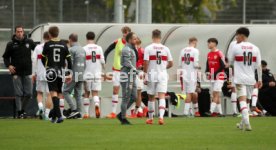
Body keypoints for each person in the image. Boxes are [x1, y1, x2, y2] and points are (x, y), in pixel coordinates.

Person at [228, 27, 262, 131]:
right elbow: (259, 66)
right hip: (251, 79)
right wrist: (259, 79)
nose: (236, 38)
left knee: (242, 101)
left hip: (239, 79)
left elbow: (230, 62)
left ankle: (247, 122)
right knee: (247, 101)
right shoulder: (255, 48)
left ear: (242, 36)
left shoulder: (236, 47)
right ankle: (242, 123)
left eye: (237, 35)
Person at [2, 25, 36, 118]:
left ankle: (22, 110)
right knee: (18, 94)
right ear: (15, 33)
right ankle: (20, 112)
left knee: (29, 93)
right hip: (16, 72)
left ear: (23, 32)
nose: (19, 33)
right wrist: (9, 65)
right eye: (18, 31)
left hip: (28, 71)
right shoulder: (11, 44)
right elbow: (5, 57)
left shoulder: (29, 42)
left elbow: (37, 51)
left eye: (21, 31)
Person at [41, 26, 72, 123]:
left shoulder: (47, 44)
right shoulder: (64, 44)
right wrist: (69, 73)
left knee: (53, 92)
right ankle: (54, 116)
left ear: (49, 34)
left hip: (51, 70)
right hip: (61, 71)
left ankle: (58, 115)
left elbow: (42, 58)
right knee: (59, 93)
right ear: (58, 33)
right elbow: (69, 60)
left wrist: (46, 66)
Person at [143, 29, 173, 125]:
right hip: (162, 74)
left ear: (152, 37)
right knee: (162, 96)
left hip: (152, 74)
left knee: (151, 97)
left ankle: (151, 119)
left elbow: (146, 63)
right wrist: (164, 67)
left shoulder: (148, 48)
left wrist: (145, 75)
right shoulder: (166, 48)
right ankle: (161, 117)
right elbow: (171, 63)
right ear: (160, 37)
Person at [104, 26, 132, 119]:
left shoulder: (131, 44)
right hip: (117, 69)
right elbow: (108, 50)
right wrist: (104, 58)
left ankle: (124, 112)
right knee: (115, 89)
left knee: (126, 91)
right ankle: (113, 112)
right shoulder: (118, 42)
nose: (124, 34)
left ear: (129, 33)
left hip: (126, 70)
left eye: (126, 32)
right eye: (123, 32)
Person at [62, 33, 86, 119]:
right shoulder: (82, 49)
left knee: (65, 91)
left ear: (70, 40)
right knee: (78, 95)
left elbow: (70, 63)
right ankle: (79, 113)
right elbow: (84, 64)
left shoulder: (71, 50)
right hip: (81, 74)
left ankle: (74, 110)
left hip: (73, 74)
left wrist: (68, 74)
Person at [117, 32, 138, 125]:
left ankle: (121, 114)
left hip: (132, 76)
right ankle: (123, 118)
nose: (136, 40)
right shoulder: (126, 49)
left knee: (134, 97)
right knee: (126, 97)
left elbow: (131, 63)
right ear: (129, 40)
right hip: (126, 76)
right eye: (134, 39)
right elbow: (126, 63)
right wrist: (136, 70)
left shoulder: (132, 49)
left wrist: (138, 68)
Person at [83, 31, 105, 119]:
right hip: (97, 73)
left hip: (87, 73)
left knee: (86, 93)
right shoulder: (99, 48)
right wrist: (104, 70)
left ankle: (86, 113)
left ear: (86, 38)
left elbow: (82, 62)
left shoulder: (84, 48)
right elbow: (103, 61)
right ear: (94, 38)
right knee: (95, 92)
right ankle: (96, 105)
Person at [32, 31, 52, 120]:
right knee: (49, 94)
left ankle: (40, 107)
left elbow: (33, 60)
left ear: (43, 38)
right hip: (51, 74)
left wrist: (33, 73)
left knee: (39, 93)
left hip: (40, 73)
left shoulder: (38, 47)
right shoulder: (53, 47)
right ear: (50, 37)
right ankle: (47, 114)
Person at [179, 37, 200, 117]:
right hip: (191, 74)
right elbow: (195, 64)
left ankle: (190, 111)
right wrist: (199, 66)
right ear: (194, 42)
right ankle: (185, 112)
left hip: (184, 73)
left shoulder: (182, 50)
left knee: (187, 92)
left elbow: (180, 64)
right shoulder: (195, 51)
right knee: (190, 93)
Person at [205, 38, 225, 117]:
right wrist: (207, 71)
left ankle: (211, 111)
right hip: (212, 77)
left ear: (214, 44)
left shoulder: (219, 53)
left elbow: (223, 65)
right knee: (215, 94)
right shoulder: (209, 54)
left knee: (215, 93)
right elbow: (208, 64)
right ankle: (220, 112)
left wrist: (215, 73)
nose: (208, 44)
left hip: (219, 76)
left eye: (209, 43)